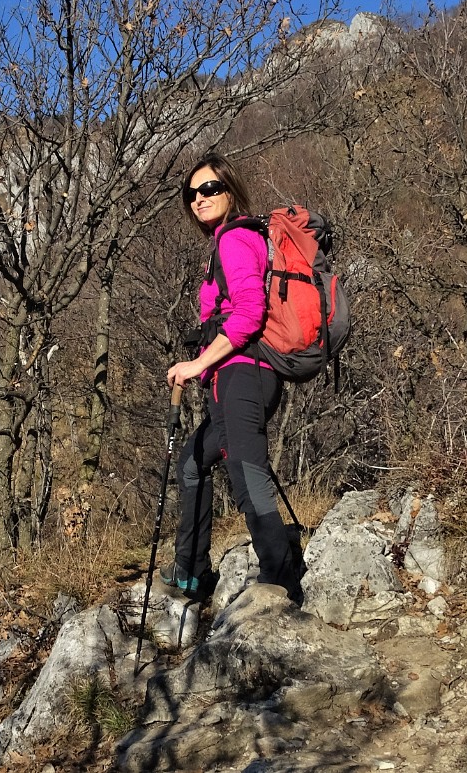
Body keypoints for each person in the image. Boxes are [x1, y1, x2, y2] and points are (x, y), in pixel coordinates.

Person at [163, 152, 304, 604]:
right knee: (192, 464)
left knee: (247, 473)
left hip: (245, 373)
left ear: (230, 189)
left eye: (209, 189)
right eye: (191, 193)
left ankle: (281, 582)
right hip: (234, 376)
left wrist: (197, 365)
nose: (198, 199)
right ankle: (190, 571)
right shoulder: (229, 240)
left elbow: (248, 314)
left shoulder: (234, 239)